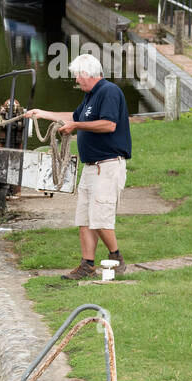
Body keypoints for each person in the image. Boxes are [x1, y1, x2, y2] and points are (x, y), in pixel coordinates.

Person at [25, 53, 131, 280]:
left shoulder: (109, 92)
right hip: (91, 167)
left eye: (77, 76)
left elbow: (109, 124)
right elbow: (71, 117)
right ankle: (87, 264)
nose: (76, 81)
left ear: (86, 73)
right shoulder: (90, 96)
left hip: (108, 165)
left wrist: (76, 125)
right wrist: (42, 114)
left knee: (99, 215)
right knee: (84, 217)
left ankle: (116, 256)